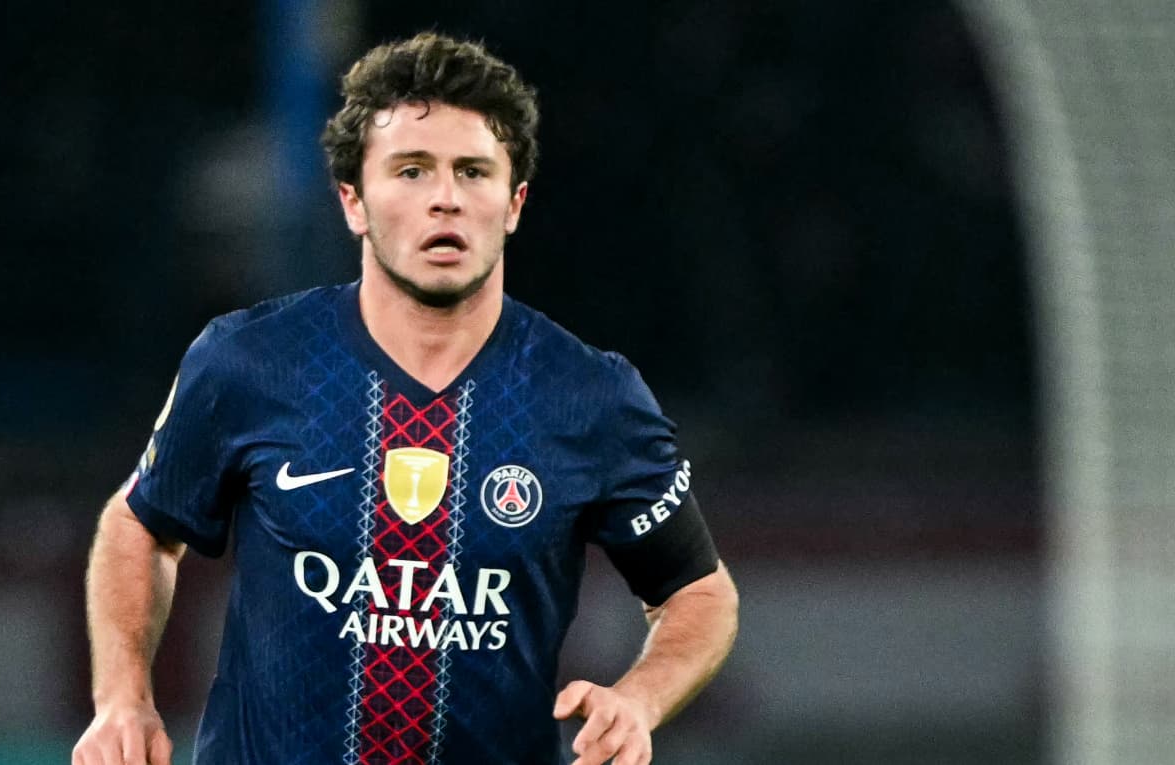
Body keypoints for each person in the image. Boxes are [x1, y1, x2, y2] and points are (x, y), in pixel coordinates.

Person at [73, 32, 738, 765]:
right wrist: (123, 699)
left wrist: (640, 698)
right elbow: (141, 524)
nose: (445, 198)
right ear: (353, 202)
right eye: (412, 170)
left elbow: (699, 593)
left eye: (473, 172)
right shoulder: (250, 362)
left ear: (514, 203)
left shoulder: (590, 397)